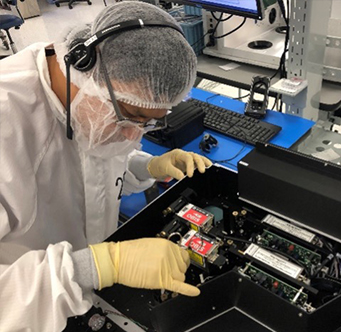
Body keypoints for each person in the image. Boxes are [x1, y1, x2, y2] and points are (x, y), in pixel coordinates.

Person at [0, 1, 212, 330]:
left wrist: (148, 166)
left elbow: (94, 164)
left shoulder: (88, 94)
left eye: (148, 124)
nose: (133, 135)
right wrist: (99, 266)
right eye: (132, 118)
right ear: (84, 69)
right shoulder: (7, 121)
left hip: (88, 293)